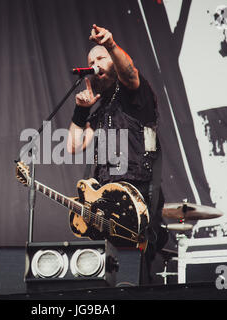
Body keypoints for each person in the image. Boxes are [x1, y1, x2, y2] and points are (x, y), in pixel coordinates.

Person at [67, 24, 168, 283]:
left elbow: (130, 73)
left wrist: (110, 44)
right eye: (90, 61)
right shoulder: (100, 109)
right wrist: (81, 111)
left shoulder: (136, 93)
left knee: (132, 276)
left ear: (113, 59)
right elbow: (74, 146)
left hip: (137, 197)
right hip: (105, 204)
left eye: (100, 58)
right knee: (108, 277)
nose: (94, 63)